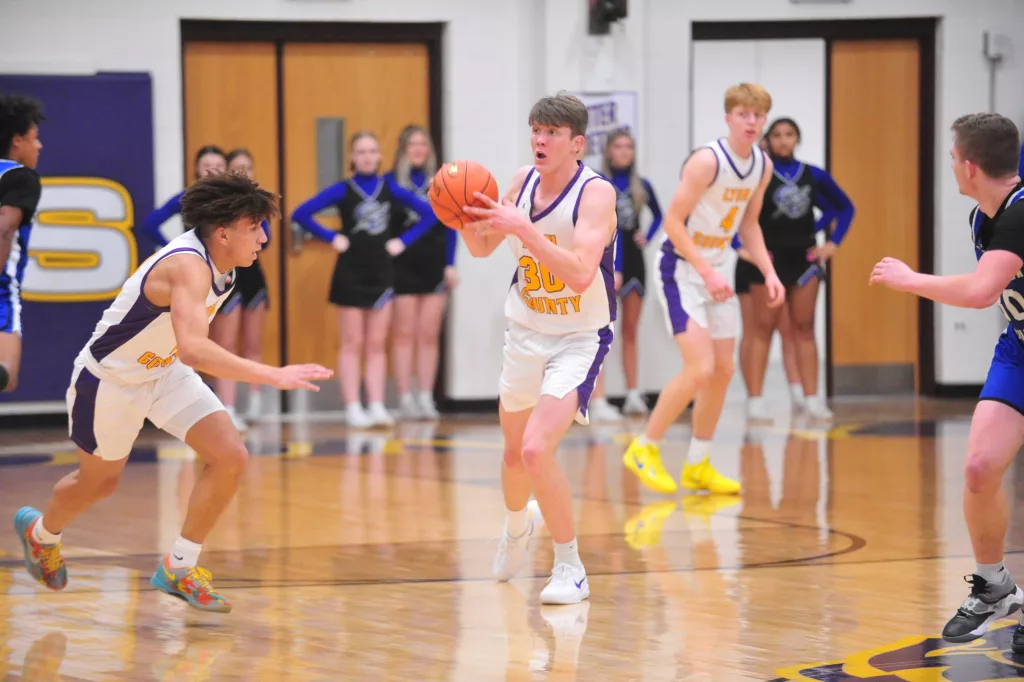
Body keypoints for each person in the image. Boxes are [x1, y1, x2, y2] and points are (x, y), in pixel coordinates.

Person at [13, 173, 333, 613]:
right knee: (98, 484)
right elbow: (195, 348)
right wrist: (272, 375)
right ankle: (42, 535)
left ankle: (180, 567)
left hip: (165, 373)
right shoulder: (188, 266)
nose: (263, 237)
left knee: (230, 456)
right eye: (254, 226)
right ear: (223, 233)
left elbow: (185, 350)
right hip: (112, 380)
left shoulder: (225, 265)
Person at [871, 112, 1024, 649]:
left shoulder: (1019, 214)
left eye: (954, 157)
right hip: (1019, 349)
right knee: (980, 467)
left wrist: (909, 279)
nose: (952, 165)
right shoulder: (984, 214)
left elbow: (982, 292)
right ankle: (993, 585)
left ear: (970, 166)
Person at [461, 92, 618, 604]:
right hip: (526, 333)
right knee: (513, 456)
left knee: (535, 449)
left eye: (552, 132)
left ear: (577, 143)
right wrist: (461, 216)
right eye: (536, 129)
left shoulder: (596, 194)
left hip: (579, 338)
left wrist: (525, 230)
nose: (540, 140)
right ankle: (516, 529)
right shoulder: (520, 182)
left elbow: (581, 274)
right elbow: (482, 248)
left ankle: (570, 566)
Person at [622, 83, 785, 496]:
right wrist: (705, 271)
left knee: (724, 370)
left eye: (758, 115)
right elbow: (673, 222)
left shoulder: (762, 166)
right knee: (700, 369)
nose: (751, 122)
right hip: (680, 269)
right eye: (743, 114)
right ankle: (645, 446)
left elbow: (749, 224)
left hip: (718, 269)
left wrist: (769, 271)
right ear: (728, 118)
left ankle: (698, 463)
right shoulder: (707, 161)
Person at [292, 131, 437, 429]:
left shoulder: (390, 188)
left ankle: (377, 405)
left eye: (372, 151)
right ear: (352, 157)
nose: (367, 156)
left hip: (381, 271)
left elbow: (430, 214)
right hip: (350, 271)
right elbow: (301, 213)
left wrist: (403, 241)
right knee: (352, 342)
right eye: (361, 151)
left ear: (380, 155)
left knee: (376, 344)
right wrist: (331, 237)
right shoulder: (343, 189)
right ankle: (352, 407)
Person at [735, 117, 854, 421]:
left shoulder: (813, 174)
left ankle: (813, 399)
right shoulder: (757, 175)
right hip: (769, 262)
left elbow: (844, 207)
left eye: (789, 134)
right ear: (768, 139)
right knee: (762, 329)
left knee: (805, 328)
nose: (783, 140)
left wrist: (833, 243)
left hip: (804, 261)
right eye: (777, 135)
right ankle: (755, 402)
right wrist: (740, 248)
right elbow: (734, 215)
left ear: (797, 138)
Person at [386, 125, 458, 420]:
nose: (418, 150)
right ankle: (405, 397)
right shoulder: (390, 182)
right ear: (403, 149)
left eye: (423, 144)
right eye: (412, 144)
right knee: (404, 334)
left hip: (433, 262)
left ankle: (426, 397)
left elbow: (451, 224)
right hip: (401, 264)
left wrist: (450, 264)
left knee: (429, 334)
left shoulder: (441, 182)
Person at [592, 130, 663, 420]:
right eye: (618, 146)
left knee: (631, 330)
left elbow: (660, 215)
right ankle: (598, 399)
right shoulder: (597, 183)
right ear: (608, 151)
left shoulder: (641, 185)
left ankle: (633, 394)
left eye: (628, 146)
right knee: (600, 331)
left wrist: (647, 236)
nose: (623, 151)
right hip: (605, 258)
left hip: (634, 261)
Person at [209, 149, 273, 426]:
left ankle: (255, 401)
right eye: (236, 169)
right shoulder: (211, 203)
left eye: (247, 168)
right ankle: (227, 407)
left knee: (253, 343)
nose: (242, 174)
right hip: (224, 276)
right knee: (224, 345)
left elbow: (266, 240)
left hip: (252, 275)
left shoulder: (255, 204)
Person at [0, 93, 44, 393]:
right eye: (34, 137)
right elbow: (5, 228)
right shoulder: (21, 176)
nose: (39, 145)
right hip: (2, 288)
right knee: (7, 377)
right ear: (17, 141)